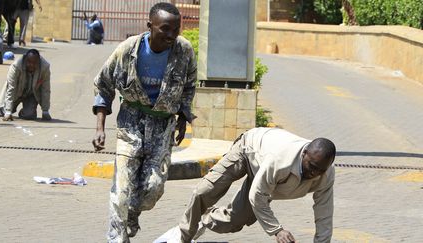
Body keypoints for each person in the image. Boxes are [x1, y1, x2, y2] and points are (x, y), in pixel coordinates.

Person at [91, 2, 196, 242]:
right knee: (121, 191)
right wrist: (100, 128)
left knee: (152, 189)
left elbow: (189, 86)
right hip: (131, 123)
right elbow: (103, 85)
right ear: (150, 26)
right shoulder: (128, 50)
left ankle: (132, 213)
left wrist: (183, 117)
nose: (171, 35)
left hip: (162, 126)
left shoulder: (184, 51)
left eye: (175, 30)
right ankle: (117, 237)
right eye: (165, 29)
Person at [157, 128, 336, 243]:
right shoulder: (280, 159)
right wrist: (277, 230)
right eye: (311, 166)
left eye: (320, 170)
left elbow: (324, 214)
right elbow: (257, 197)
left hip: (266, 176)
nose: (314, 173)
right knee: (205, 191)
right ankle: (183, 235)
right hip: (248, 150)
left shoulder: (326, 174)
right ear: (304, 153)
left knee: (234, 222)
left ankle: (203, 220)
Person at [0, 49, 52, 121]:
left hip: (31, 94)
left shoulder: (45, 67)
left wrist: (45, 111)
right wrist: (8, 111)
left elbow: (46, 90)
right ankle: (7, 109)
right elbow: (11, 88)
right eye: (29, 62)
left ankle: (24, 112)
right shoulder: (16, 66)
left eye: (34, 63)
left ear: (38, 62)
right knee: (3, 112)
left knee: (29, 115)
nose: (31, 65)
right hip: (16, 92)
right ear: (25, 60)